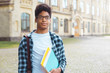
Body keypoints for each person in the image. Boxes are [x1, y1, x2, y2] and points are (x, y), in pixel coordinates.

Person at [18, 3, 66, 73]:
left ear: (50, 20)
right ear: (35, 19)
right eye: (41, 17)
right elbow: (22, 68)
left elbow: (63, 60)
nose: (44, 20)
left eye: (47, 17)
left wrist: (59, 69)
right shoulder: (26, 41)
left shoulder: (57, 39)